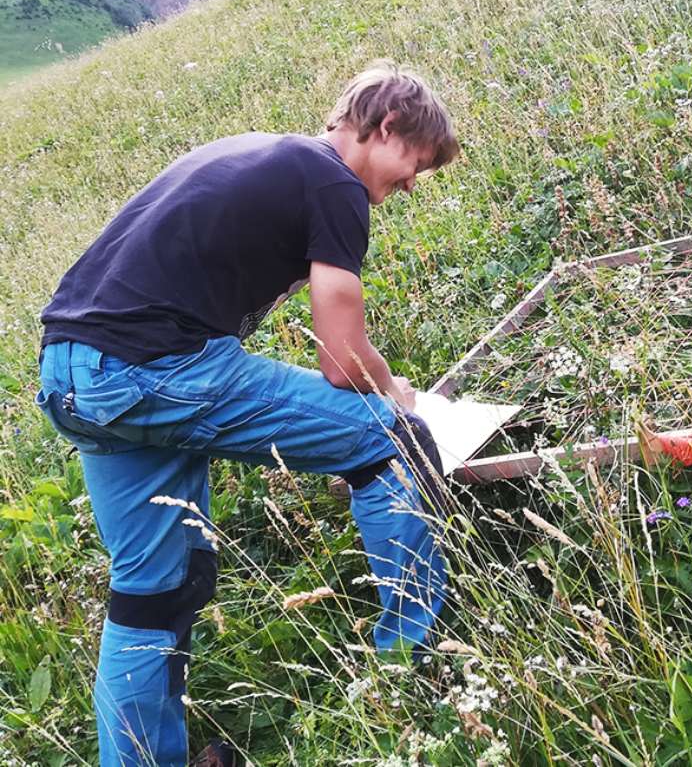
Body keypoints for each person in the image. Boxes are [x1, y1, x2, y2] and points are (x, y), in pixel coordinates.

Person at [34, 62, 460, 766]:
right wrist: (396, 390)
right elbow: (341, 360)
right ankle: (415, 665)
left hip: (70, 373)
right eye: (415, 163)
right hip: (154, 366)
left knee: (152, 591)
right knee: (393, 439)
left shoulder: (252, 151)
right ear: (384, 128)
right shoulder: (333, 180)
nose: (412, 184)